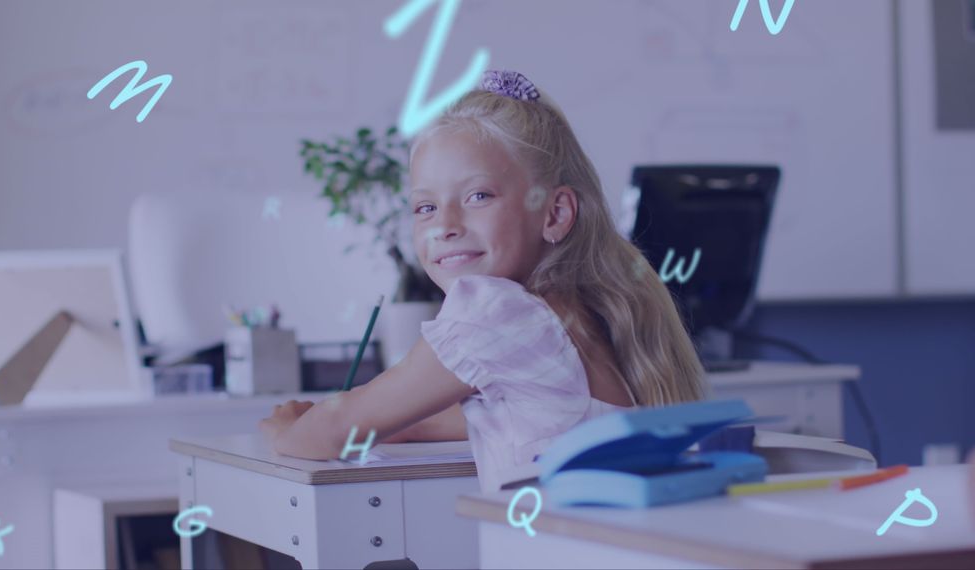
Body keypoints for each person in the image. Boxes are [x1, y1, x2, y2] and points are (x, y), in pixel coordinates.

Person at [260, 70, 708, 493]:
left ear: (554, 213)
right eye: (425, 208)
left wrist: (288, 432)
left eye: (478, 196)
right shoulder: (581, 313)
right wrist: (397, 419)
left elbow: (336, 432)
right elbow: (504, 415)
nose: (446, 226)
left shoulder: (494, 312)